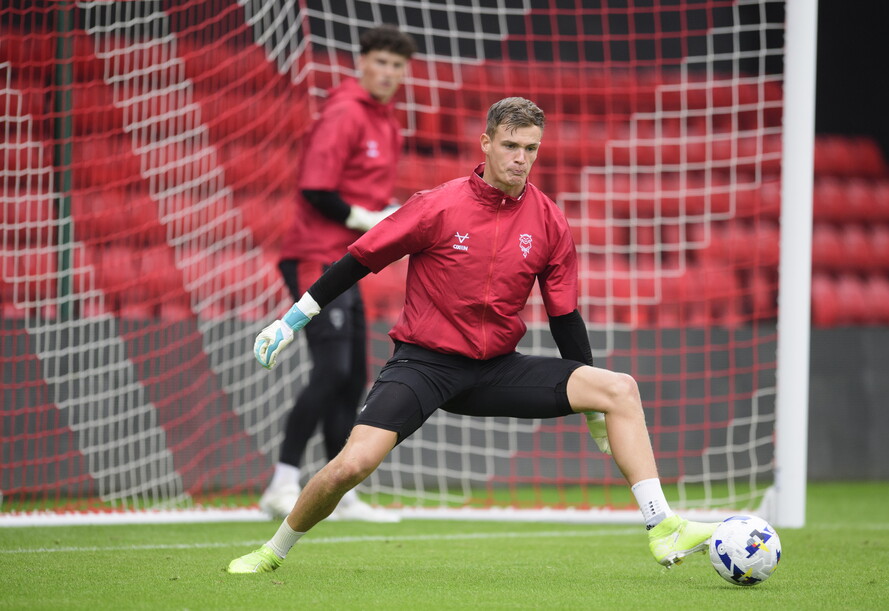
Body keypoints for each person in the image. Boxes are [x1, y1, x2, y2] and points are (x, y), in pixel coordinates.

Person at [229, 97, 718, 574]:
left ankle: (663, 526)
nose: (521, 158)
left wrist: (591, 402)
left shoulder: (548, 220)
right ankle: (273, 550)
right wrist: (292, 320)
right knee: (350, 467)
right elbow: (360, 259)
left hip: (497, 369)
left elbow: (564, 315)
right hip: (424, 365)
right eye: (510, 145)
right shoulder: (437, 206)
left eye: (531, 148)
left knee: (620, 388)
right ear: (485, 143)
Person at [257, 24, 417, 523]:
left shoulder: (387, 121)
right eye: (381, 62)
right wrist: (369, 220)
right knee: (332, 371)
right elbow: (316, 190)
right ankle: (282, 483)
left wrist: (377, 218)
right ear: (362, 62)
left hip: (345, 261)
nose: (389, 73)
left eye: (397, 65)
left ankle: (340, 494)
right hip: (313, 255)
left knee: (353, 380)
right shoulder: (346, 112)